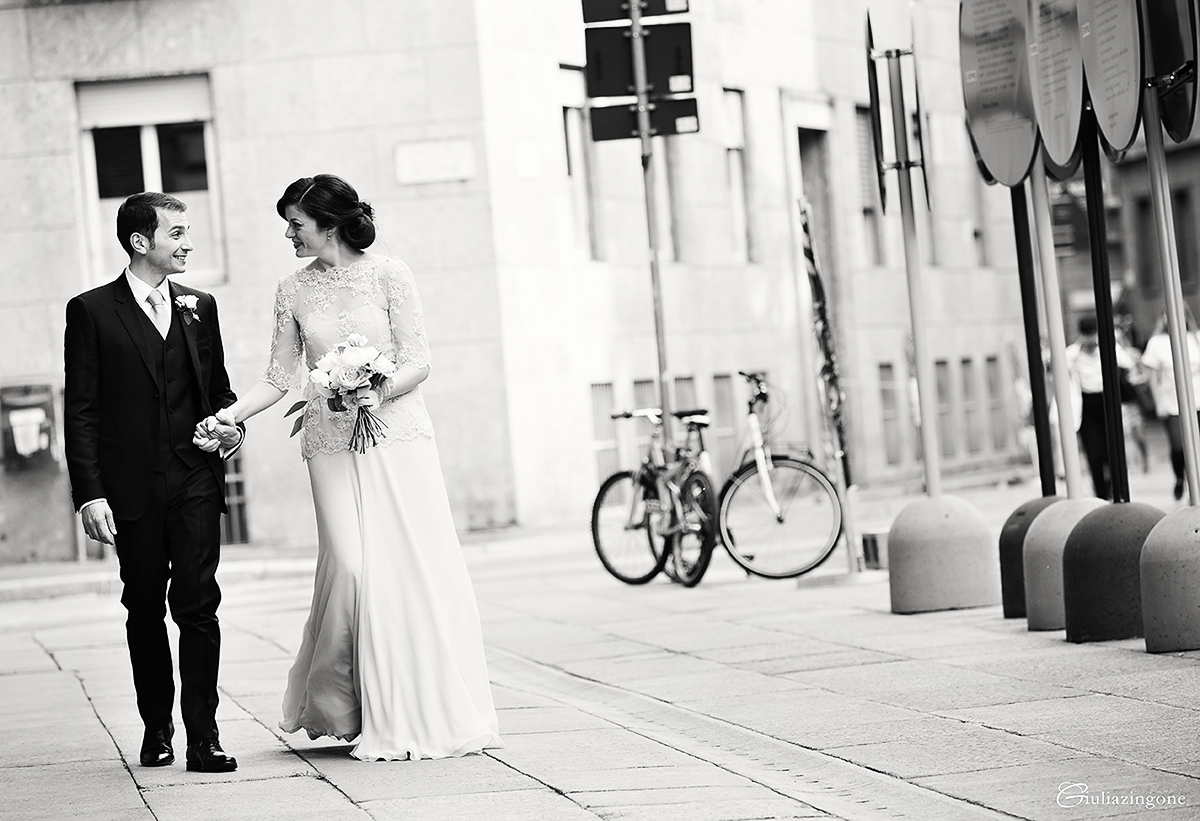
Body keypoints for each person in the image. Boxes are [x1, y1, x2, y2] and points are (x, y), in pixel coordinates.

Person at [203, 174, 501, 761]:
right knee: (352, 566)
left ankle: (405, 710)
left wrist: (376, 389)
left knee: (406, 569)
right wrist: (229, 416)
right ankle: (344, 702)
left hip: (397, 437)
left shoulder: (391, 273)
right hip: (328, 443)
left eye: (297, 223)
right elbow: (278, 376)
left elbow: (418, 360)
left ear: (329, 223)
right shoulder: (291, 289)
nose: (289, 234)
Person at [64, 192, 244, 773]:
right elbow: (82, 410)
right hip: (130, 489)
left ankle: (204, 738)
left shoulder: (201, 304)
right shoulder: (91, 311)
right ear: (141, 242)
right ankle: (156, 729)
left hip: (193, 478)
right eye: (177, 233)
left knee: (198, 607)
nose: (188, 242)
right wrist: (90, 493)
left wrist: (228, 433)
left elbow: (220, 393)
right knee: (143, 608)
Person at [1065, 313, 1132, 499]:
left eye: (1093, 334)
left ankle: (1115, 487)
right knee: (1094, 455)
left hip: (1108, 402)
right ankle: (1101, 493)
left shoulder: (1109, 348)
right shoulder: (1072, 353)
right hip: (1086, 406)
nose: (1091, 340)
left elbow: (1128, 364)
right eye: (1087, 335)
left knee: (1112, 451)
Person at [1139, 310, 1200, 500]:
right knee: (1178, 446)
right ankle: (1180, 477)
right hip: (1172, 403)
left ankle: (1195, 486)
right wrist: (1158, 403)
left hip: (1197, 400)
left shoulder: (1196, 338)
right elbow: (1153, 377)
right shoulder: (1157, 343)